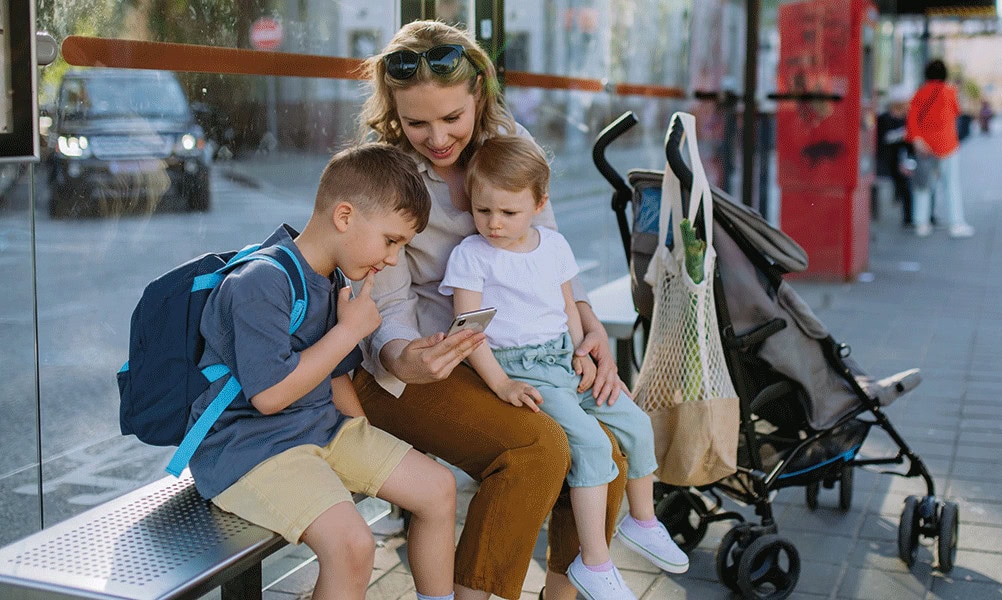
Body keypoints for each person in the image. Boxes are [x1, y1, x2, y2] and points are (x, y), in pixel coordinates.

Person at [351, 20, 631, 600]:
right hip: (414, 367)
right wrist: (405, 356)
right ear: (392, 113)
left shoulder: (510, 147)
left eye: (452, 117)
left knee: (609, 450)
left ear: (479, 95)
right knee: (535, 451)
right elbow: (391, 302)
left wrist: (588, 327)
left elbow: (549, 255)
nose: (437, 138)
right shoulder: (385, 176)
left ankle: (565, 592)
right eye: (416, 122)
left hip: (516, 356)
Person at [188, 143, 459, 600]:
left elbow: (336, 378)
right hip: (250, 449)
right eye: (391, 241)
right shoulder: (260, 282)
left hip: (319, 430)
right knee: (353, 545)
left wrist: (366, 449)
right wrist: (350, 330)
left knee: (438, 488)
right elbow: (270, 396)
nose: (393, 258)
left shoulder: (332, 278)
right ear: (345, 216)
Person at [440, 136, 689, 599]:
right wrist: (501, 382)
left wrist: (583, 351)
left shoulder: (553, 246)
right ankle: (595, 562)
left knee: (634, 423)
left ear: (539, 203)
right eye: (482, 210)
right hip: (523, 370)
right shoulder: (471, 256)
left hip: (564, 360)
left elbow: (569, 306)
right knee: (593, 444)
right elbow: (467, 331)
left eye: (508, 213)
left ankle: (643, 521)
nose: (493, 223)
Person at [906, 59, 974, 239]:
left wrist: (917, 139)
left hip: (925, 147)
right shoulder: (949, 92)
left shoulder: (920, 93)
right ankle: (956, 224)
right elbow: (957, 111)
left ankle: (921, 224)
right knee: (951, 185)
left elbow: (912, 119)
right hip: (947, 145)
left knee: (923, 186)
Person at [876, 85, 916, 228]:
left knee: (906, 184)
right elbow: (880, 140)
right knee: (900, 182)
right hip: (886, 159)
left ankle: (909, 217)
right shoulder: (883, 118)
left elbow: (911, 143)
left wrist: (910, 161)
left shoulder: (908, 118)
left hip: (903, 158)